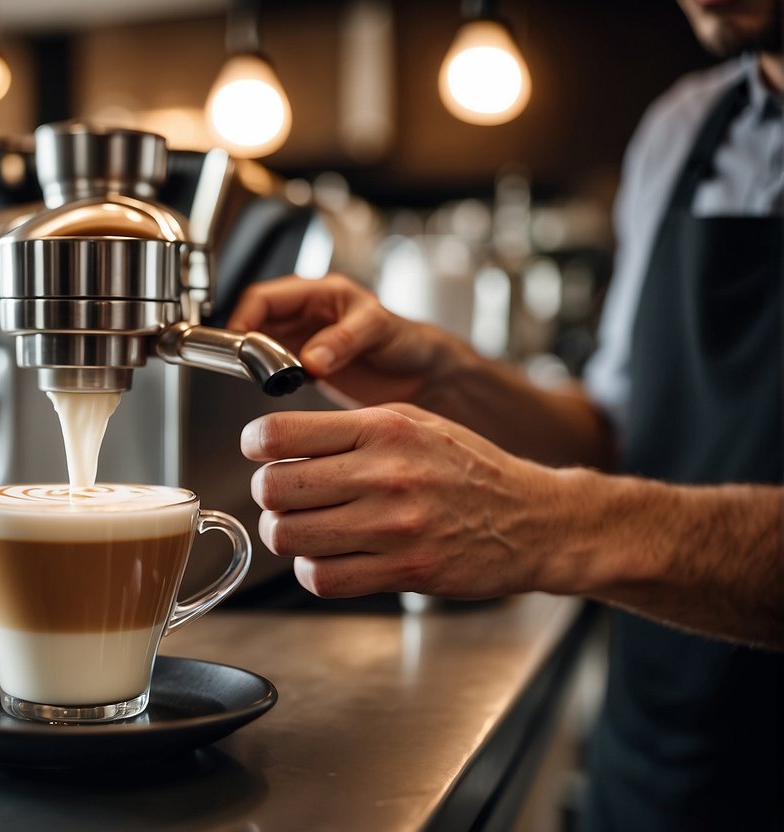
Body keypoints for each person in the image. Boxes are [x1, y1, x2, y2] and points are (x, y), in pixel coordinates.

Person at [227, 0, 782, 828]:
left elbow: (575, 506)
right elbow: (624, 431)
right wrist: (443, 376)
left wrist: (542, 526)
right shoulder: (683, 127)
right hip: (655, 764)